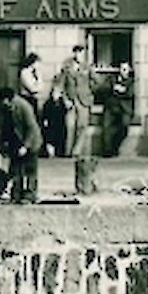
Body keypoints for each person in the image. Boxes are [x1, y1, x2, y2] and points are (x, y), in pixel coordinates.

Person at [56, 45, 98, 195]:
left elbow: (96, 81)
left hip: (84, 101)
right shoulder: (67, 66)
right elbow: (60, 83)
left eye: (81, 53)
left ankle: (77, 151)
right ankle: (69, 151)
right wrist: (64, 98)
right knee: (70, 126)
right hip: (71, 100)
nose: (78, 55)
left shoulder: (88, 67)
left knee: (82, 127)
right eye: (76, 52)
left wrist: (90, 94)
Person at [0, 86, 43, 203]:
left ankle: (30, 194)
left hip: (31, 141)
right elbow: (4, 126)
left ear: (10, 99)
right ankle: (16, 194)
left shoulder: (24, 106)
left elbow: (31, 128)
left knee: (30, 169)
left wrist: (26, 146)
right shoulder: (3, 107)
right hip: (16, 141)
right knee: (15, 169)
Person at [100, 61, 137, 158]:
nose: (123, 72)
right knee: (106, 127)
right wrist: (114, 88)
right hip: (111, 107)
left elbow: (129, 93)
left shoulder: (131, 81)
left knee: (124, 126)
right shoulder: (111, 79)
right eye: (122, 69)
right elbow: (103, 88)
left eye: (125, 69)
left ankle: (115, 147)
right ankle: (107, 151)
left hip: (124, 108)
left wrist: (119, 90)